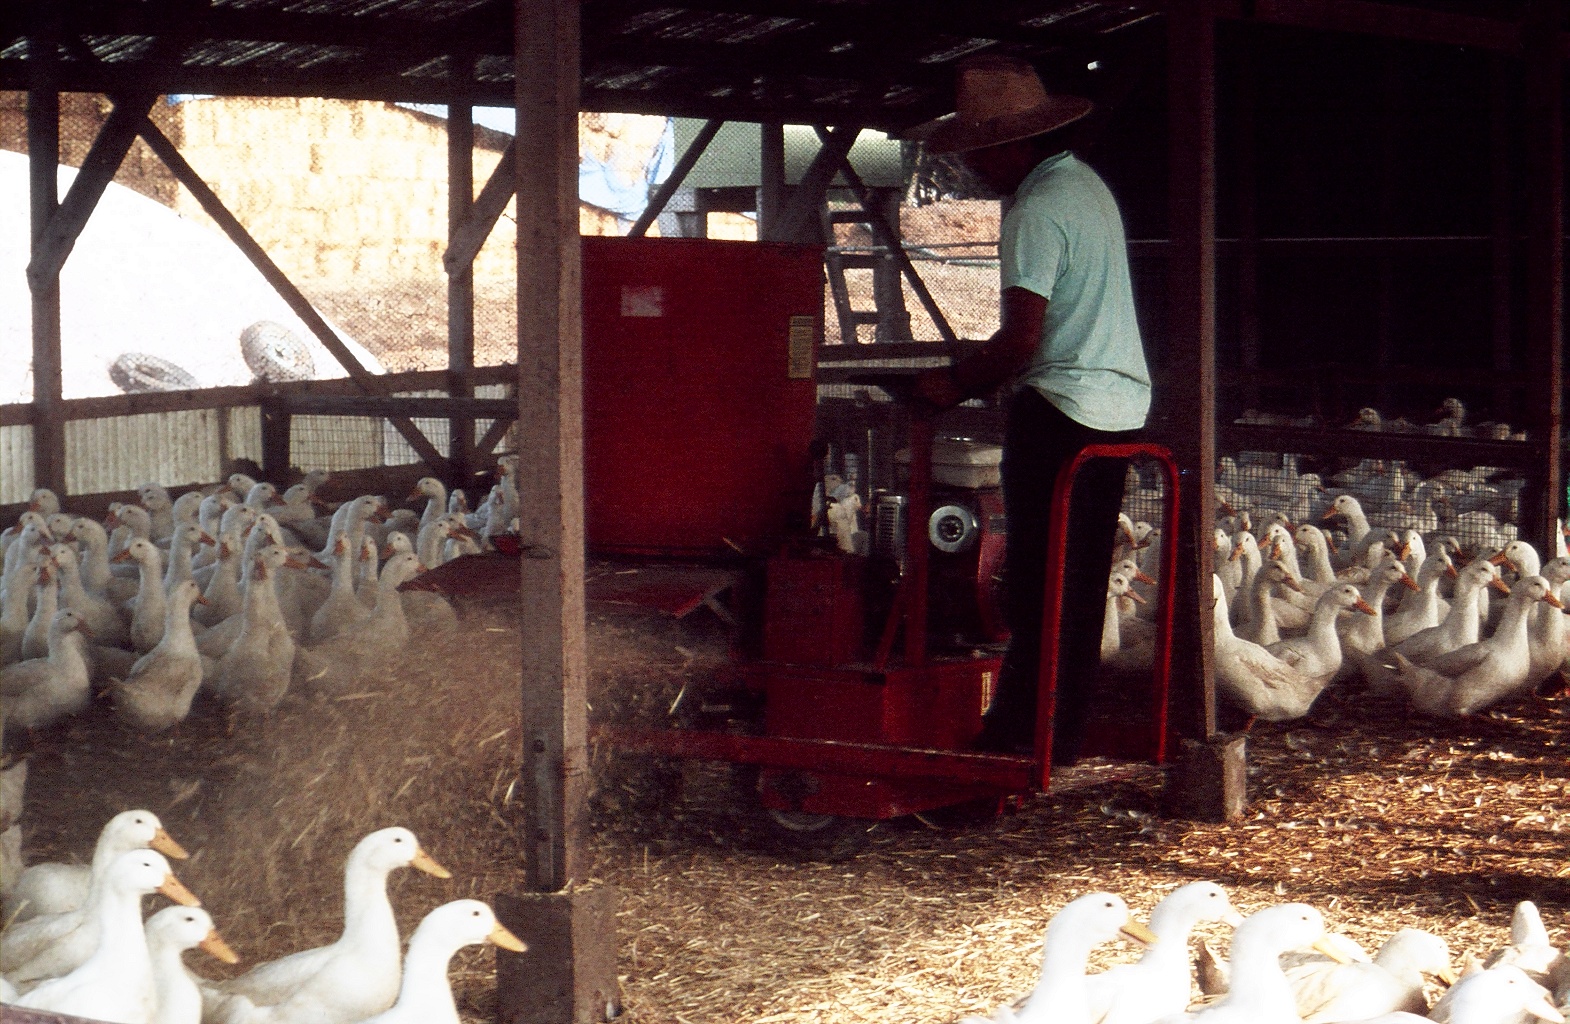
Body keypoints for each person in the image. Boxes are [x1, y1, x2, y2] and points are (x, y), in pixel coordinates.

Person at [904, 55, 1151, 762]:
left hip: (1062, 406)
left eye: (982, 156)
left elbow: (1020, 338)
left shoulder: (1036, 211)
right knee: (1076, 584)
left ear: (1013, 145)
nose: (978, 171)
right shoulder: (1088, 189)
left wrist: (950, 386)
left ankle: (1017, 734)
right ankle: (1060, 731)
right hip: (1118, 405)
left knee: (1038, 583)